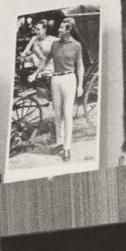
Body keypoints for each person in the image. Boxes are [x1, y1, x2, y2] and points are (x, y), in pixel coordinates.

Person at [48, 17, 89, 161]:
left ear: (68, 30)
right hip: (55, 79)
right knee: (57, 114)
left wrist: (80, 85)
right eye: (59, 27)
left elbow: (80, 65)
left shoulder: (76, 45)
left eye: (61, 28)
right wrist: (35, 73)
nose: (58, 30)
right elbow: (46, 60)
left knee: (67, 114)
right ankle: (59, 142)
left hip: (69, 79)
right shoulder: (54, 44)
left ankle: (67, 148)